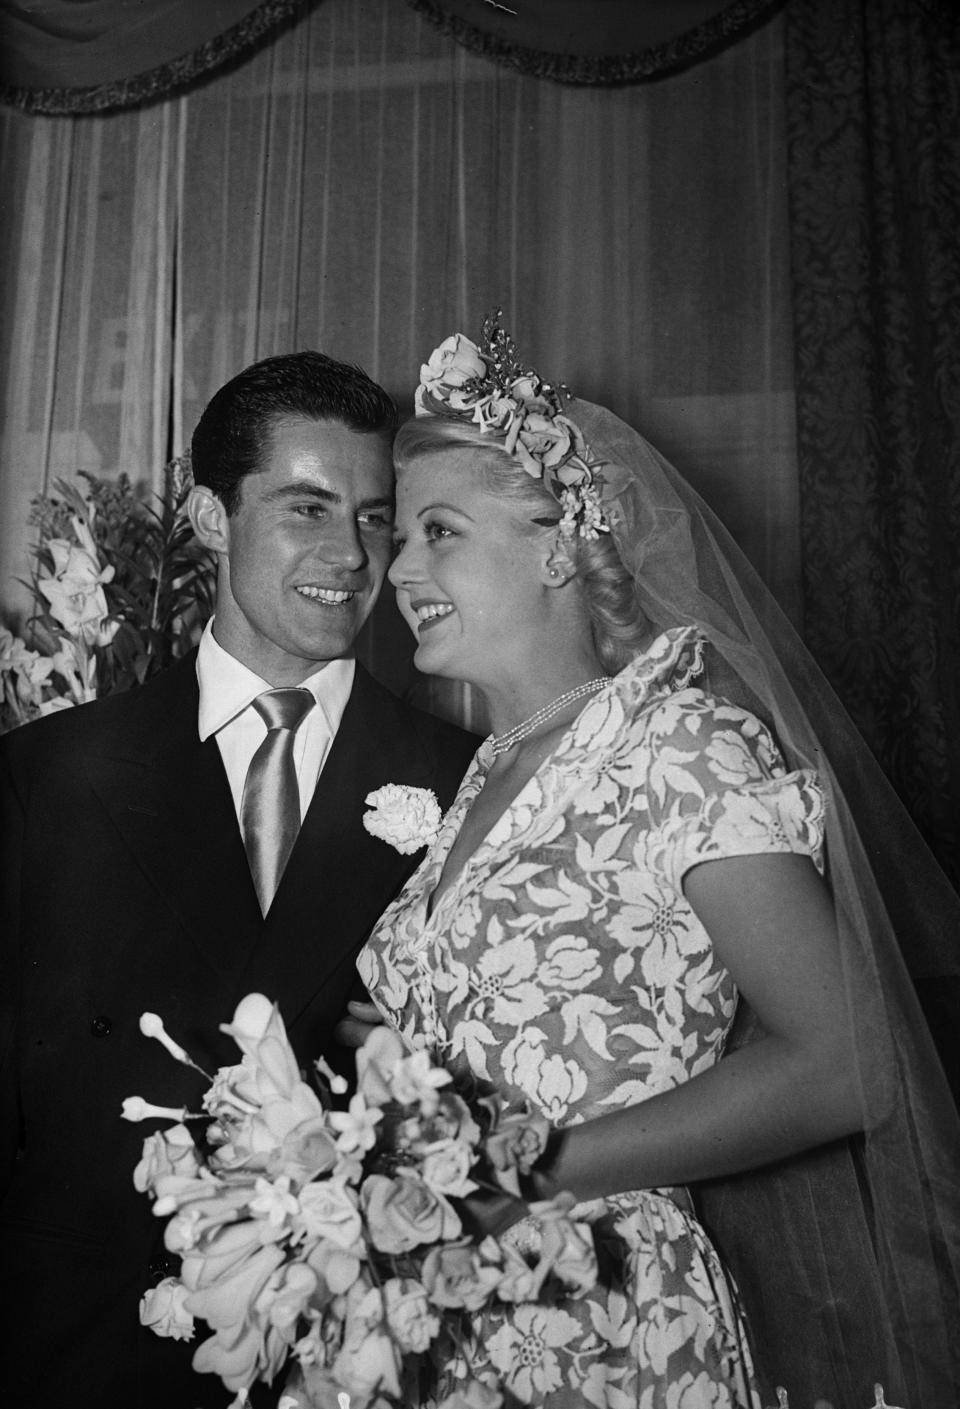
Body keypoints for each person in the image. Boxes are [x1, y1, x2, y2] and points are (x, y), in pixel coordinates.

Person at [349, 320, 960, 1408]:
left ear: (555, 544)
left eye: (436, 532)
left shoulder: (675, 743)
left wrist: (538, 1167)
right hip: (442, 1319)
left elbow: (854, 1060)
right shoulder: (484, 770)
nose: (396, 570)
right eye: (400, 538)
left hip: (605, 1324)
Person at [0, 350, 476, 1409]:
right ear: (213, 520)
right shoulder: (46, 775)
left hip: (355, 1361)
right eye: (305, 507)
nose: (349, 555)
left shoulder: (463, 781)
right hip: (78, 1354)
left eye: (374, 516)